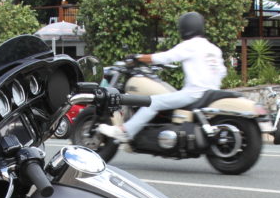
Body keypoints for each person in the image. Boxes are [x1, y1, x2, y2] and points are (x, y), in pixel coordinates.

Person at [97, 12, 227, 142]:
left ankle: (124, 132)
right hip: (211, 93)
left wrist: (139, 57)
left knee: (152, 103)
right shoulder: (213, 49)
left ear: (184, 28)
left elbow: (166, 57)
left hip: (193, 93)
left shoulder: (191, 45)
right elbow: (222, 72)